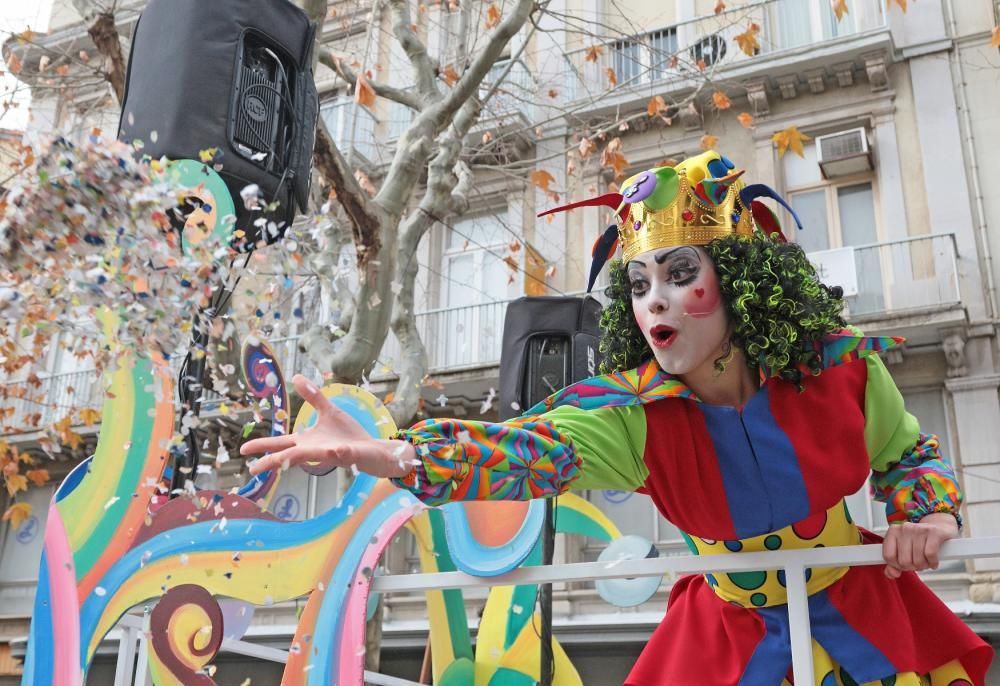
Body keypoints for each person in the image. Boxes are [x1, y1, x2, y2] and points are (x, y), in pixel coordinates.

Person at [242, 151, 993, 685]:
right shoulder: (633, 413)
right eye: (639, 283)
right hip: (724, 643)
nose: (654, 300)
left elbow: (910, 456)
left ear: (738, 281)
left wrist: (926, 516)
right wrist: (392, 454)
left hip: (864, 615)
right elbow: (522, 452)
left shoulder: (837, 369)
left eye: (680, 274)